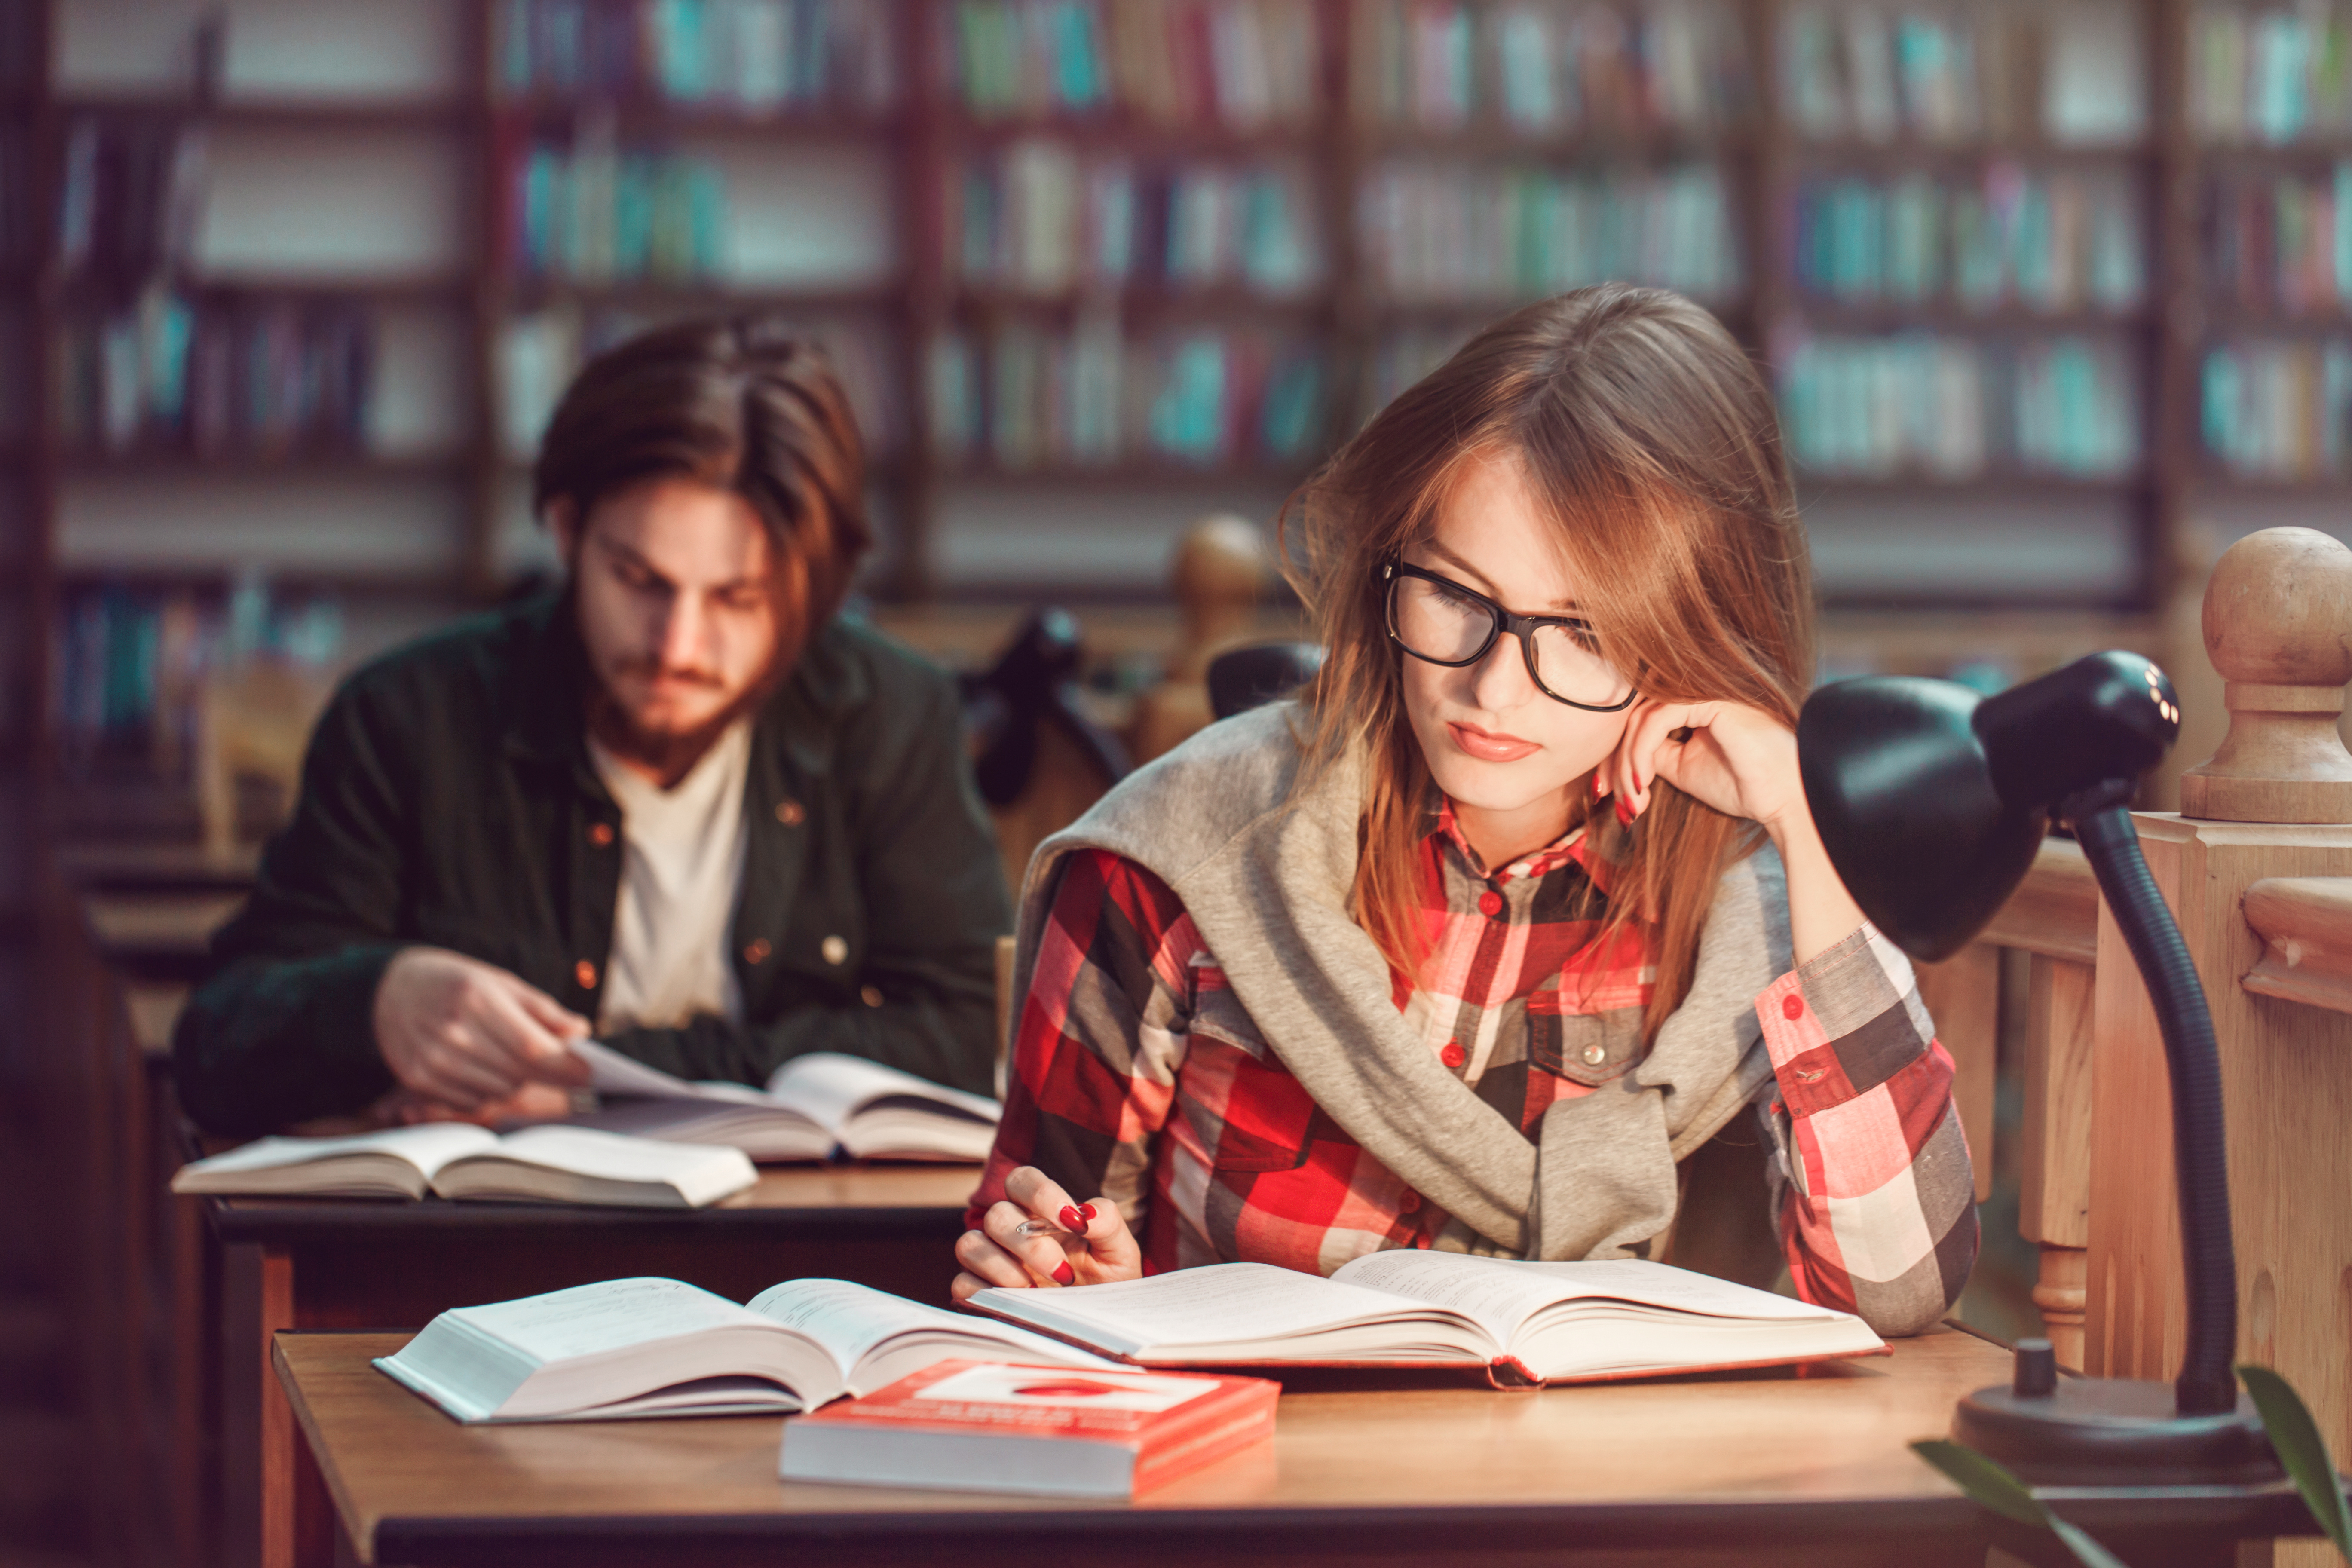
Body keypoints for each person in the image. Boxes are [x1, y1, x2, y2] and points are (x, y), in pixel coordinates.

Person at [954, 286, 1977, 1335]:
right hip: (1270, 1486)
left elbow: (1895, 1294)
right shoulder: (1176, 857)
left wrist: (1803, 824)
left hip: (1644, 1492)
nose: (1494, 690)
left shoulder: (1763, 908)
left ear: (1694, 639)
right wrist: (1073, 1291)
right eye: (1452, 593)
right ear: (1384, 570)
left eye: (1582, 631)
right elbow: (1030, 1288)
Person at [175, 321, 1011, 1138]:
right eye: (638, 578)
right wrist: (377, 1003)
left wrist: (596, 1077)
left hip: (803, 1246)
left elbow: (973, 1031)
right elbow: (215, 1049)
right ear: (568, 530)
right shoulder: (407, 718)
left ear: (809, 590)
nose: (676, 645)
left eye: (737, 599)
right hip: (474, 1253)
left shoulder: (891, 716)